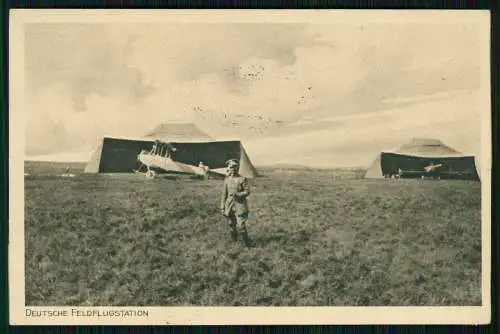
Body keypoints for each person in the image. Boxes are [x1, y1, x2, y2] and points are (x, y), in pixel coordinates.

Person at [220, 159, 251, 246]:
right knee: (231, 225)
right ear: (228, 168)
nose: (233, 169)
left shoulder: (242, 179)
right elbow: (224, 195)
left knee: (241, 225)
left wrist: (239, 194)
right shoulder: (227, 180)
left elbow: (247, 191)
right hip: (229, 206)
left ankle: (246, 244)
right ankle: (235, 242)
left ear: (237, 168)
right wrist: (222, 207)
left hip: (240, 205)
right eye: (231, 167)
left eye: (235, 167)